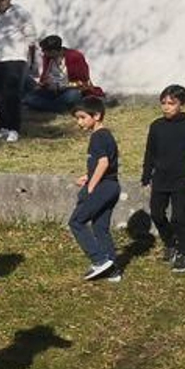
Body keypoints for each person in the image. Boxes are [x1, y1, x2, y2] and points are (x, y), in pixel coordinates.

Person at [142, 84, 185, 274]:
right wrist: (146, 175)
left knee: (179, 218)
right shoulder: (156, 126)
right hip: (160, 180)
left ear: (182, 104)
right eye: (163, 103)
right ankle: (170, 242)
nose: (166, 107)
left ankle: (184, 254)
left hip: (182, 180)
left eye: (171, 103)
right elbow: (150, 152)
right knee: (157, 214)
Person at [69, 97, 122, 282]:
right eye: (77, 118)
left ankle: (99, 260)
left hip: (103, 187)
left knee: (76, 222)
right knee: (100, 228)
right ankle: (113, 271)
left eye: (82, 117)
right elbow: (107, 164)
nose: (79, 122)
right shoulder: (106, 135)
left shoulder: (98, 136)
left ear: (97, 115)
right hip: (112, 185)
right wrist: (88, 176)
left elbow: (103, 162)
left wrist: (91, 186)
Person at [0, 0, 37, 144]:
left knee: (12, 96)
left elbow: (30, 36)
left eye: (1, 0)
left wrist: (31, 59)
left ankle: (14, 128)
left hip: (15, 58)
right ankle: (4, 125)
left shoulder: (20, 13)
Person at [25, 35, 102, 112]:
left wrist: (61, 86)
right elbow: (45, 76)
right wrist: (44, 84)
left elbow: (83, 82)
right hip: (51, 91)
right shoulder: (48, 58)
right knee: (30, 97)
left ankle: (49, 106)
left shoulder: (75, 57)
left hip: (69, 90)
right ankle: (59, 107)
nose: (43, 53)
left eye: (45, 51)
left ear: (53, 51)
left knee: (73, 96)